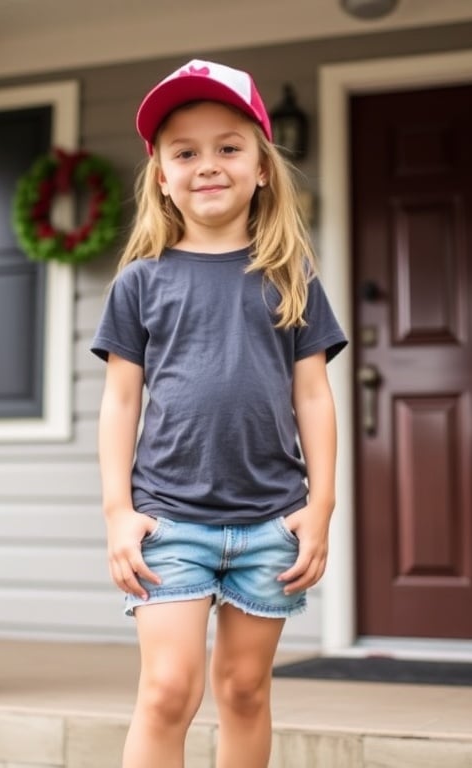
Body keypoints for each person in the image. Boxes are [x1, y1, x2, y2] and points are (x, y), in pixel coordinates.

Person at [91, 59, 347, 768]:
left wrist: (320, 506)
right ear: (163, 176)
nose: (208, 164)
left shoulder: (290, 278)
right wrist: (118, 511)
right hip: (170, 519)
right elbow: (119, 401)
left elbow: (314, 396)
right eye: (186, 152)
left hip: (269, 521)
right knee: (168, 690)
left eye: (228, 147)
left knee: (243, 690)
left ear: (262, 167)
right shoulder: (142, 283)